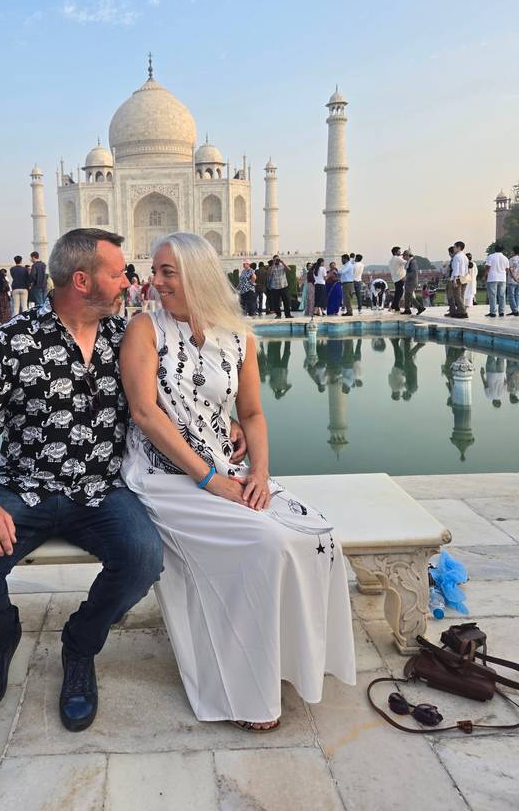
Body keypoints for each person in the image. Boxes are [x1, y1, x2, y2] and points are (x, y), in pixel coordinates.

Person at [119, 232, 355, 730]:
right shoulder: (146, 329)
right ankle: (246, 688)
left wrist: (260, 475)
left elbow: (251, 413)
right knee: (263, 541)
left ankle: (290, 663)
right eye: (155, 271)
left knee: (317, 537)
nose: (155, 281)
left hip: (225, 466)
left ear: (198, 276)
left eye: (168, 272)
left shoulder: (239, 336)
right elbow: (145, 413)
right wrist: (209, 480)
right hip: (165, 474)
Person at [0, 228, 165, 727]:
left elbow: (170, 403)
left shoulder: (125, 338)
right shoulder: (14, 340)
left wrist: (229, 420)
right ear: (82, 280)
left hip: (100, 490)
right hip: (24, 488)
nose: (128, 281)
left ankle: (80, 646)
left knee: (145, 558)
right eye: (117, 272)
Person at [485, 244, 509, 318]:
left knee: (492, 295)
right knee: (502, 295)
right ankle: (501, 312)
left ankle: (493, 312)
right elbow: (507, 269)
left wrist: (485, 275)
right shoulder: (505, 258)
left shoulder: (491, 256)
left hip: (492, 278)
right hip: (502, 278)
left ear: (495, 249)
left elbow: (488, 267)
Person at [447, 241, 469, 319]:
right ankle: (460, 311)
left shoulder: (457, 257)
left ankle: (463, 312)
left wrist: (454, 279)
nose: (454, 248)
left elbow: (455, 269)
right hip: (464, 278)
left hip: (458, 278)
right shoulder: (465, 257)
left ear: (459, 247)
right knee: (461, 296)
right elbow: (466, 269)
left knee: (457, 296)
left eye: (455, 247)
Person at [401, 250, 424, 315]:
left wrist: (406, 277)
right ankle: (407, 309)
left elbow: (414, 272)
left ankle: (420, 307)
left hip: (411, 282)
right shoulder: (410, 261)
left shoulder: (413, 262)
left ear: (408, 255)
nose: (403, 257)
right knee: (406, 296)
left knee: (409, 296)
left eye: (404, 255)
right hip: (409, 281)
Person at [388, 246, 406, 312]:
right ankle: (394, 306)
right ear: (395, 252)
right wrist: (408, 256)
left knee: (397, 293)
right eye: (399, 251)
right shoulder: (398, 259)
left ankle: (395, 306)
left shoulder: (391, 260)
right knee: (399, 293)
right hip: (400, 278)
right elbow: (406, 263)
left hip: (395, 278)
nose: (400, 252)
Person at [508, 245, 519, 317]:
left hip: (512, 280)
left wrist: (514, 278)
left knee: (511, 295)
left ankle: (515, 310)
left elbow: (510, 270)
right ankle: (516, 309)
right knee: (517, 294)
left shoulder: (511, 259)